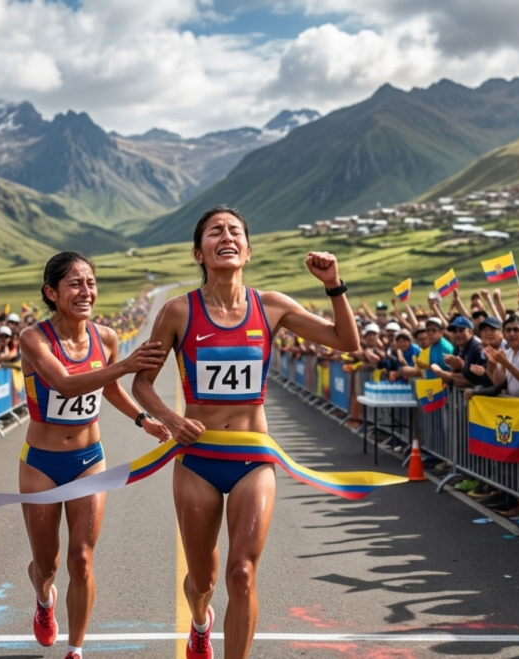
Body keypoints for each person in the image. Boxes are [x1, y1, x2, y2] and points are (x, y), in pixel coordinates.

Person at [132, 207, 359, 659]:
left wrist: (333, 285)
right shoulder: (178, 311)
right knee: (203, 579)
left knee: (242, 574)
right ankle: (200, 620)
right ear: (200, 252)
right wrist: (173, 421)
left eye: (235, 230)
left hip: (253, 459)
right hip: (197, 461)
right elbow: (141, 383)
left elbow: (345, 342)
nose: (227, 236)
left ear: (248, 251)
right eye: (215, 231)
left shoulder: (271, 306)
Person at [19, 252, 169, 659]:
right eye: (74, 284)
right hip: (41, 465)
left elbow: (105, 389)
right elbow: (66, 384)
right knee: (46, 565)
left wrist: (143, 419)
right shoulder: (33, 339)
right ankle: (44, 599)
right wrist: (124, 366)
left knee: (81, 558)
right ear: (51, 292)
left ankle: (75, 649)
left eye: (90, 282)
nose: (86, 291)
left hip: (89, 460)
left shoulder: (105, 337)